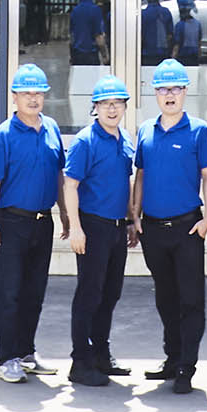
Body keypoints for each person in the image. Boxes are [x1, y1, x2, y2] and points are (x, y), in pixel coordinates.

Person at [131, 57, 207, 395]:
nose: (169, 95)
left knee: (190, 299)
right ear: (155, 93)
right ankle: (172, 358)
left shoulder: (199, 131)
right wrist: (135, 214)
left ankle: (186, 366)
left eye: (176, 89)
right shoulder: (145, 131)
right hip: (153, 230)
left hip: (187, 228)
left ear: (185, 92)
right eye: (163, 89)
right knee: (165, 298)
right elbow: (140, 175)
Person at [0, 62, 69, 384]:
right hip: (11, 222)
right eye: (26, 93)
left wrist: (64, 212)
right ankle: (7, 358)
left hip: (42, 222)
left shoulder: (52, 128)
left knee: (35, 291)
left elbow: (59, 174)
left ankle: (26, 352)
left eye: (39, 93)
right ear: (14, 98)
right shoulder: (3, 136)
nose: (33, 99)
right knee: (10, 292)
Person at [62, 75, 139, 387]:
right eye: (105, 103)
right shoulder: (85, 142)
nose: (112, 109)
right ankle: (80, 361)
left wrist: (131, 220)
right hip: (92, 226)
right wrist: (75, 227)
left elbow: (126, 182)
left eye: (117, 103)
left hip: (117, 228)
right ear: (95, 107)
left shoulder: (125, 139)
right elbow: (70, 185)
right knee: (89, 294)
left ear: (125, 107)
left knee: (110, 293)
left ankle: (101, 355)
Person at [68, 0, 106, 67]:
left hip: (77, 55)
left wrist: (71, 56)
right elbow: (99, 37)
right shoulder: (96, 10)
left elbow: (71, 38)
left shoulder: (75, 11)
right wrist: (105, 56)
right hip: (91, 56)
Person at [140, 0, 176, 64]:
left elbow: (140, 37)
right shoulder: (165, 12)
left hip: (146, 55)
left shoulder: (143, 14)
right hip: (163, 55)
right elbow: (170, 37)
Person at [173, 0, 202, 67]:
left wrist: (172, 59)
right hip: (194, 58)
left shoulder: (179, 25)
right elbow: (199, 44)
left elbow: (176, 46)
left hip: (183, 59)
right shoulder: (197, 24)